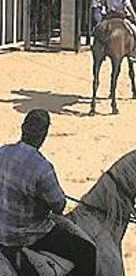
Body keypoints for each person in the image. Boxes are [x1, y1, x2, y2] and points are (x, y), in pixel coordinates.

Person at [0, 110, 96, 276]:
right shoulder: (42, 168)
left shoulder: (2, 152)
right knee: (87, 251)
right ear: (44, 135)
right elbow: (59, 205)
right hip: (27, 236)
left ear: (23, 128)